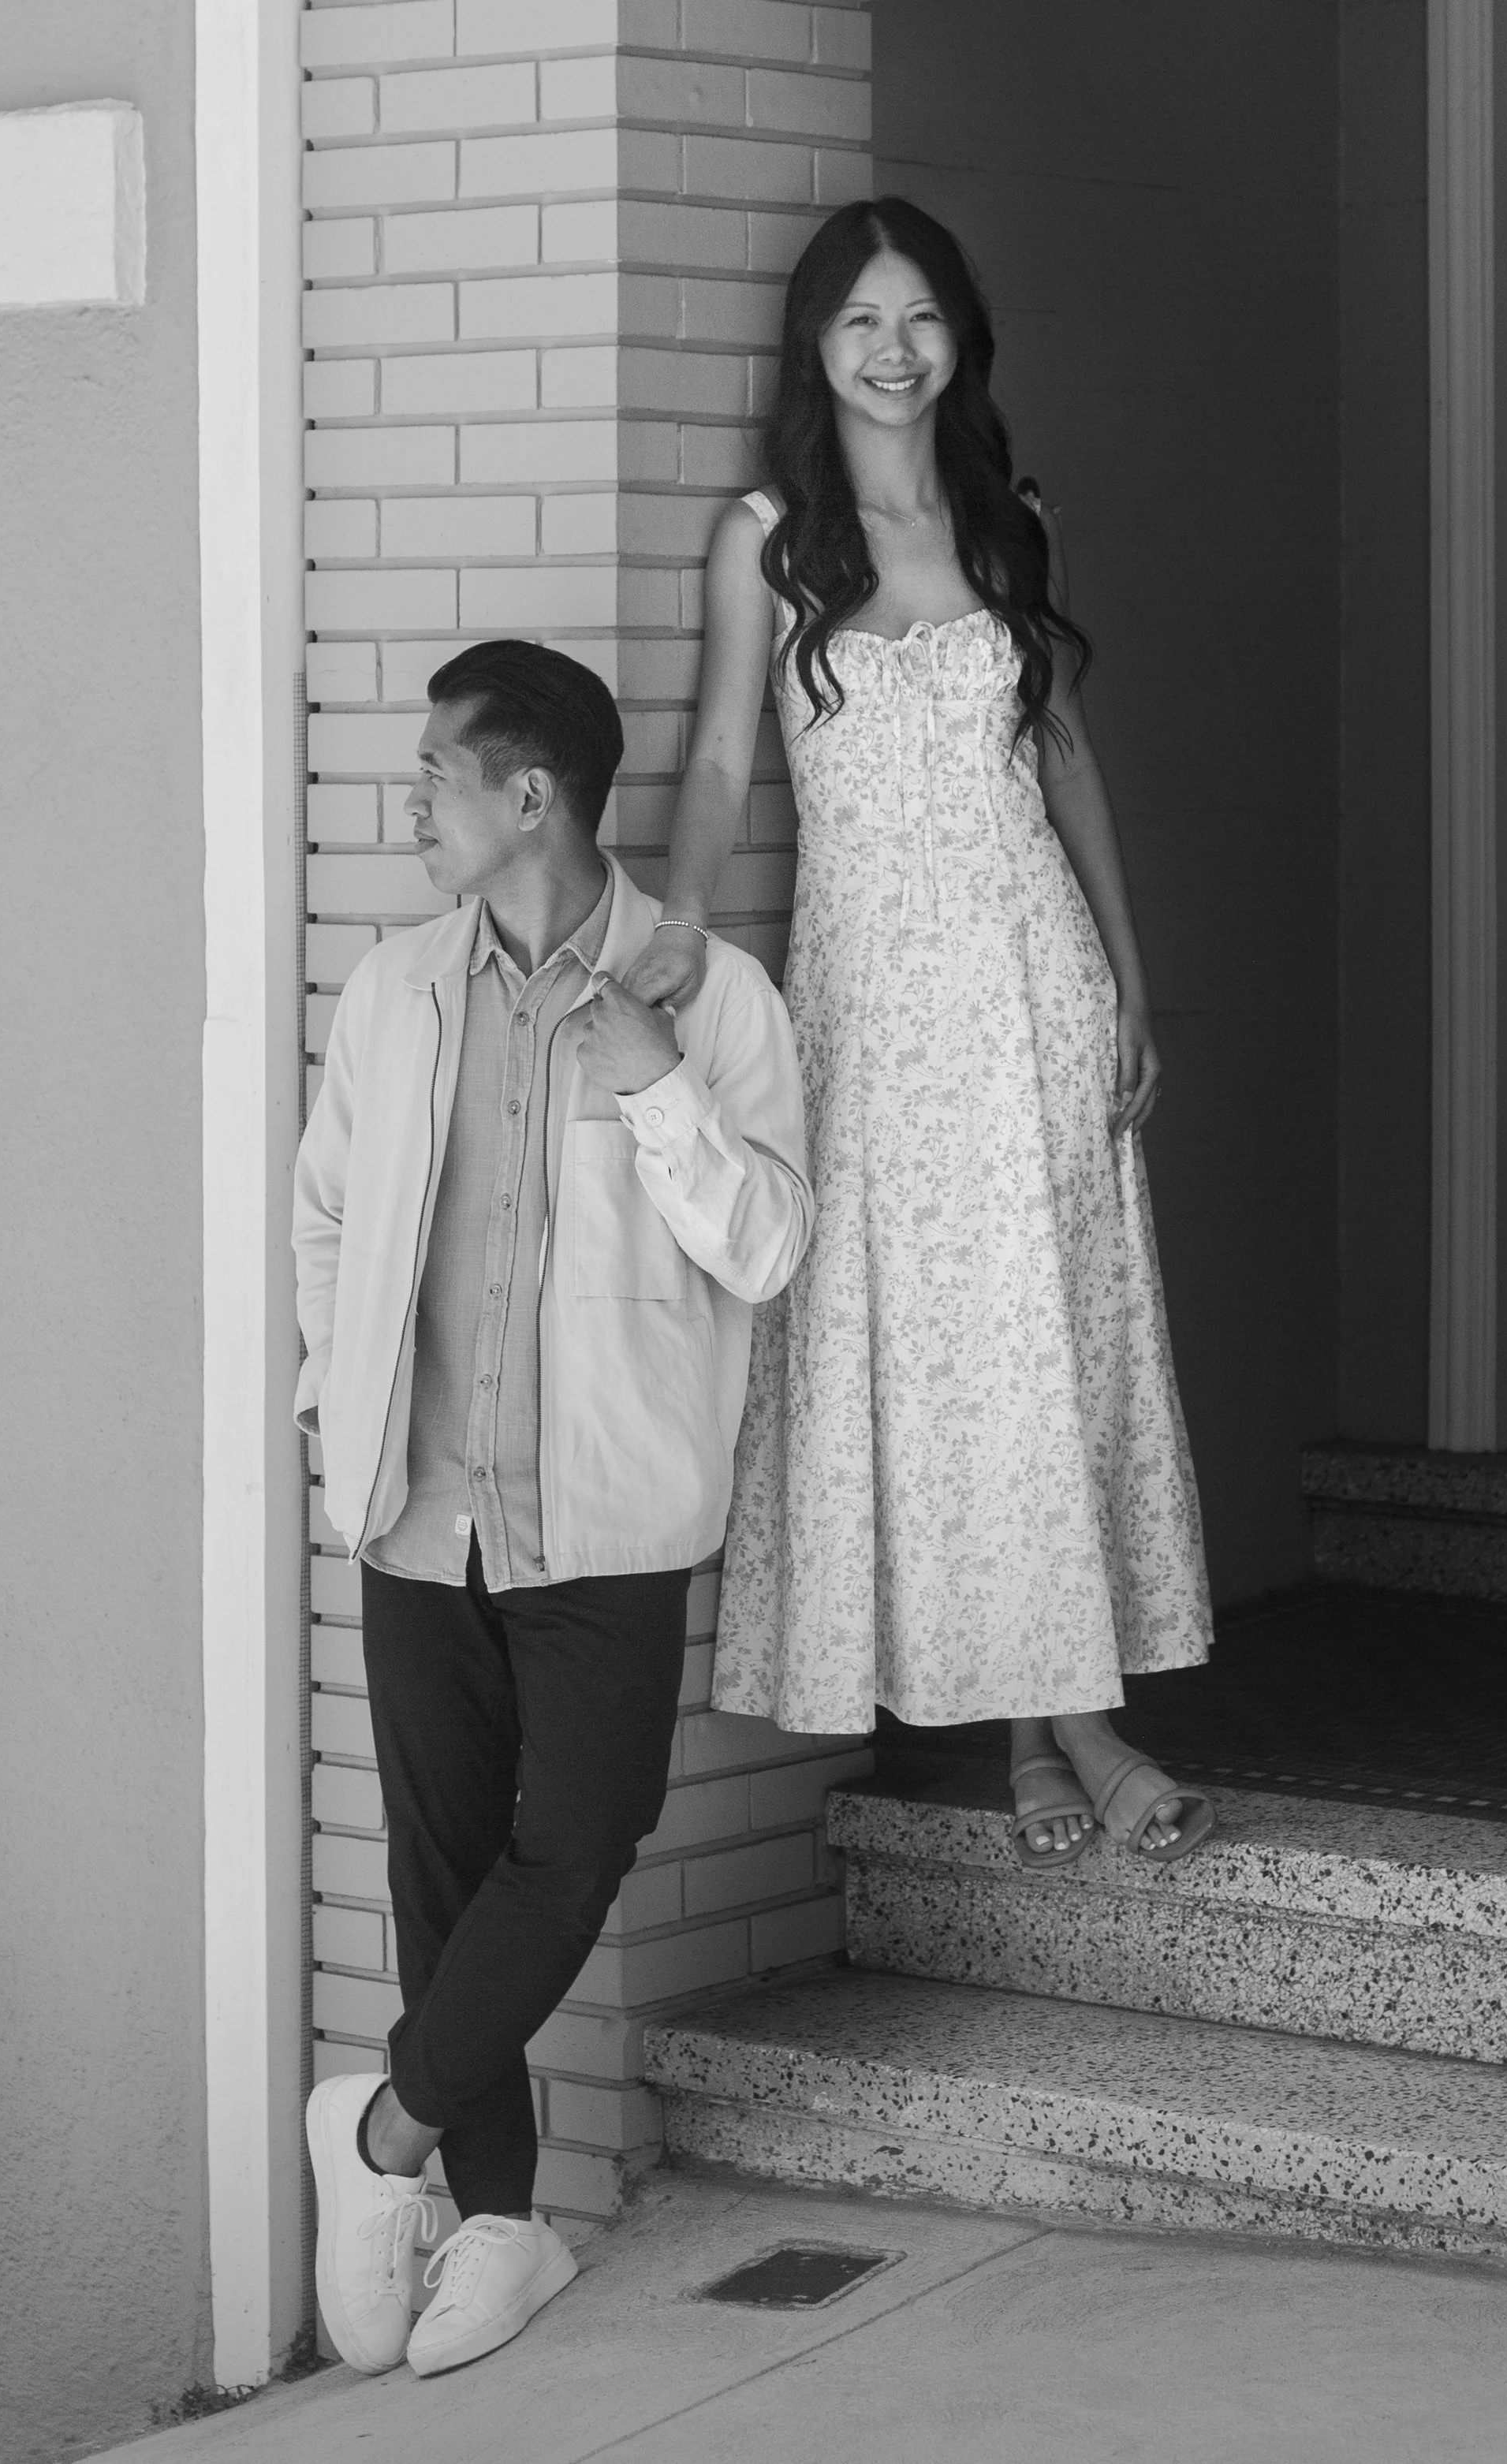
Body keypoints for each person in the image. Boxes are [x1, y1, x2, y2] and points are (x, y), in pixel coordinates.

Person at [621, 197, 1218, 1873]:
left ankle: (1051, 1734)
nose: (894, 352)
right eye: (861, 323)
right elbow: (727, 753)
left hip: (1027, 976)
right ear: (814, 349)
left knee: (1047, 1343)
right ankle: (1054, 1725)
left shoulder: (1010, 518)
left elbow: (1065, 760)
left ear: (960, 339)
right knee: (939, 1353)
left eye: (922, 320)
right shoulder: (767, 536)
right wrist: (672, 928)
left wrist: (1123, 972)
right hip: (871, 1001)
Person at [293, 640, 811, 2379]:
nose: (408, 804)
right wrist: (328, 1406)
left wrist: (653, 1070)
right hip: (414, 1513)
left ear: (529, 797)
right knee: (444, 1874)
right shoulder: (393, 991)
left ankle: (375, 2135)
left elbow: (768, 1245)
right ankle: (499, 2218)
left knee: (576, 1841)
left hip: (605, 1518)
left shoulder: (712, 995)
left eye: (433, 774)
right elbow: (323, 1216)